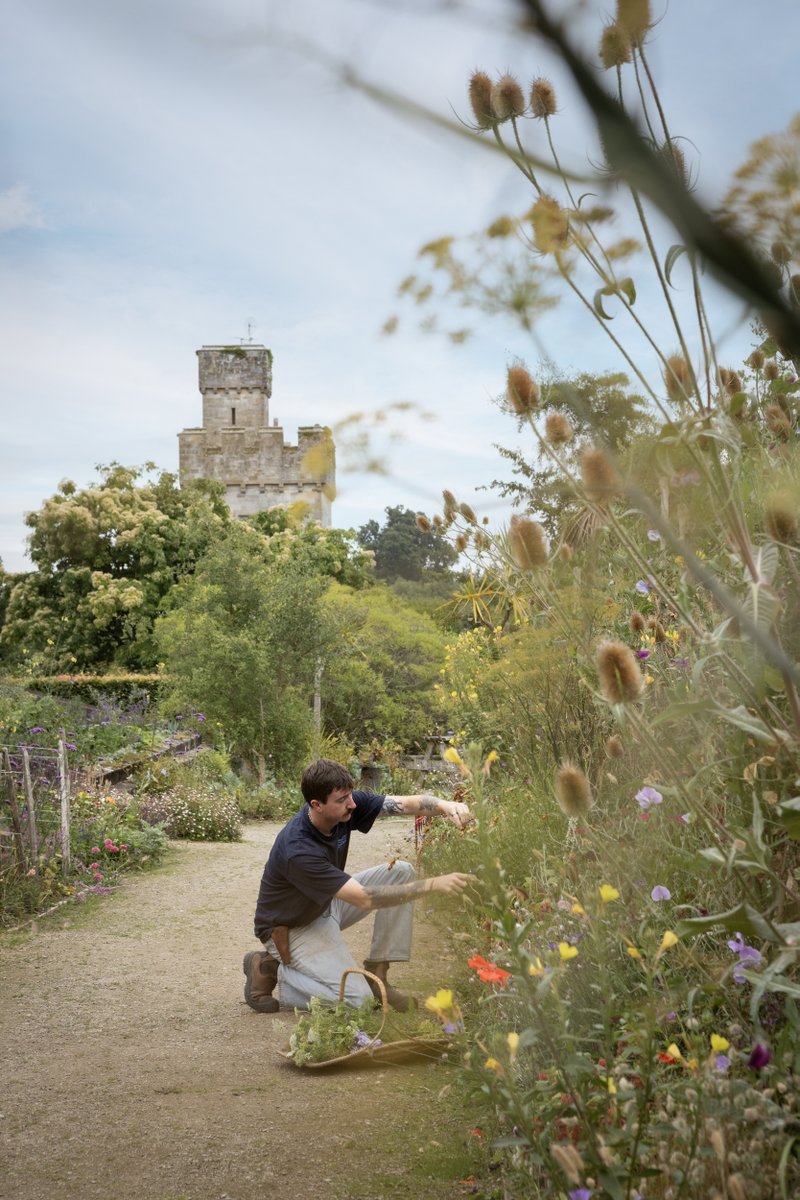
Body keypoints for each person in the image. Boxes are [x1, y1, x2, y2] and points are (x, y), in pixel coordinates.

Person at [243, 757, 474, 1014]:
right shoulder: (298, 849)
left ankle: (378, 974)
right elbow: (363, 898)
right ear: (316, 805)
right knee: (360, 1002)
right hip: (292, 928)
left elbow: (406, 803)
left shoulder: (345, 805)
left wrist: (445, 805)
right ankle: (274, 968)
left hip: (324, 904)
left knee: (401, 871)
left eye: (350, 795)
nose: (351, 804)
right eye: (342, 800)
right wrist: (432, 885)